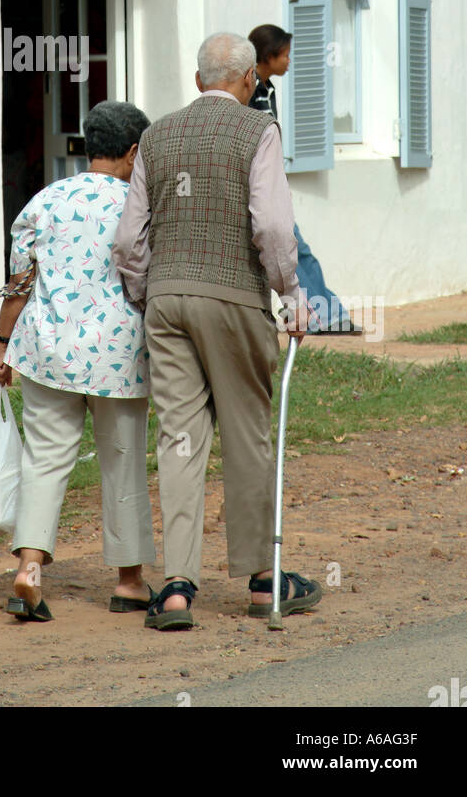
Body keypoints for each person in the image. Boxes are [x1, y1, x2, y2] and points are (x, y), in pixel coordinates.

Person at [113, 33, 321, 630]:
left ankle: (176, 588)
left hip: (168, 303)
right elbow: (275, 228)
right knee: (248, 433)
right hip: (235, 298)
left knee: (179, 439)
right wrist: (290, 293)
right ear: (250, 80)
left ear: (198, 78)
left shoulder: (155, 136)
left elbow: (128, 241)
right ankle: (261, 579)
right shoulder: (260, 132)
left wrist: (147, 289)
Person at [0, 100, 156, 623]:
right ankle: (129, 582)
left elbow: (20, 283)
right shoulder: (140, 204)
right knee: (122, 461)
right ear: (133, 152)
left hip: (47, 350)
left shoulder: (45, 201)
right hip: (119, 355)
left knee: (44, 459)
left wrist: (1, 345)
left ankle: (29, 571)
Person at [248, 24, 359, 334]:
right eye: (285, 55)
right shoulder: (249, 90)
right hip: (257, 191)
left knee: (295, 251)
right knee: (291, 251)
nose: (289, 61)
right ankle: (320, 317)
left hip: (270, 187)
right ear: (269, 56)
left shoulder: (266, 89)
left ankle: (327, 316)